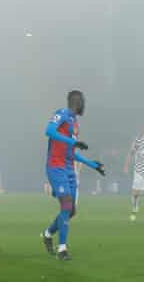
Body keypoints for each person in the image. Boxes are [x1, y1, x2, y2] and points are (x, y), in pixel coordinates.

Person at [41, 90, 106, 261]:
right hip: (56, 166)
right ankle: (62, 249)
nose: (84, 104)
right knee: (67, 203)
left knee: (72, 211)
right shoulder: (61, 113)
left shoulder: (75, 123)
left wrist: (93, 165)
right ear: (76, 101)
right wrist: (73, 142)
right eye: (83, 101)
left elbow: (71, 152)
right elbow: (49, 131)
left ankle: (47, 234)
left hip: (69, 168)